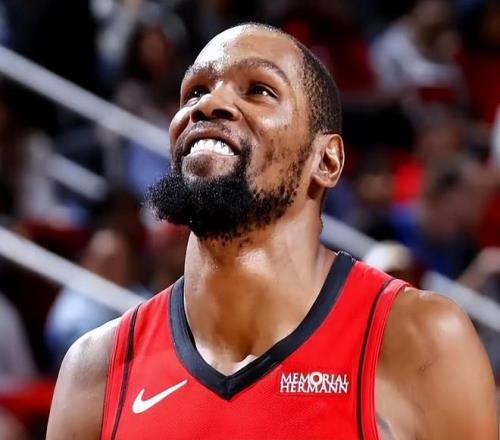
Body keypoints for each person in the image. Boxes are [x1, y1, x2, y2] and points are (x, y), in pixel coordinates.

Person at [46, 23, 498, 439]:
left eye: (259, 90)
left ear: (327, 161)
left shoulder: (421, 341)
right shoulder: (96, 370)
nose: (208, 104)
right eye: (194, 91)